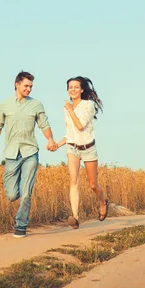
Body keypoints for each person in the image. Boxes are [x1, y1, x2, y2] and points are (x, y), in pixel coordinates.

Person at [0, 70, 57, 238]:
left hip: (30, 152)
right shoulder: (4, 105)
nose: (29, 89)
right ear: (17, 84)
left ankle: (21, 225)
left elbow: (44, 125)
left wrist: (50, 139)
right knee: (12, 194)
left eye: (31, 86)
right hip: (11, 154)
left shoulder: (36, 105)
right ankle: (21, 192)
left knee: (26, 193)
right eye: (26, 86)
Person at [54, 76, 108, 228]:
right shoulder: (68, 108)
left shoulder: (88, 105)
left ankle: (103, 202)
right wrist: (57, 145)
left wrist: (70, 110)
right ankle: (75, 217)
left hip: (88, 148)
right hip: (72, 148)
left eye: (76, 87)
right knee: (73, 180)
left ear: (82, 90)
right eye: (70, 87)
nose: (73, 89)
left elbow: (79, 126)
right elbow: (70, 133)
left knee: (92, 184)